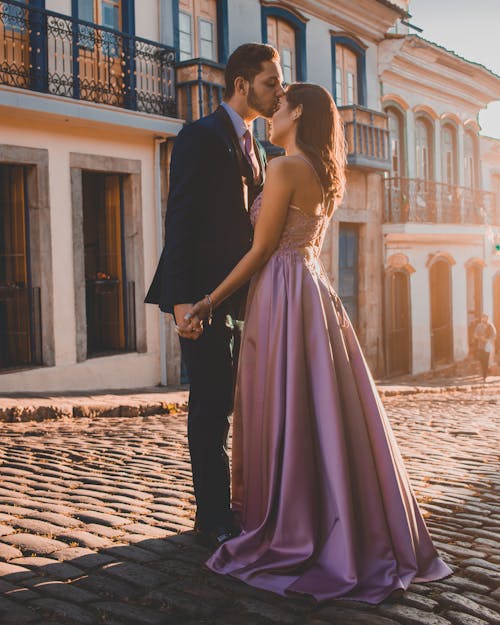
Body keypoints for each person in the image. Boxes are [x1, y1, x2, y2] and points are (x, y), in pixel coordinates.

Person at [183, 83, 452, 603]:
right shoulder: (326, 175)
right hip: (313, 291)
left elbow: (261, 250)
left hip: (281, 293)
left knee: (287, 404)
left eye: (279, 105)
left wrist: (208, 301)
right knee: (319, 407)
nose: (271, 111)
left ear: (298, 112)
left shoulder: (284, 168)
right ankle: (332, 513)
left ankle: (292, 521)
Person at [144, 43, 285, 549]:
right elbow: (178, 221)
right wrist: (183, 301)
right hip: (202, 298)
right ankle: (213, 515)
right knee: (210, 405)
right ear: (242, 84)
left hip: (251, 301)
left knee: (241, 404)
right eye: (271, 83)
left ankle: (242, 503)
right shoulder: (198, 136)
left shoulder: (266, 151)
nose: (279, 92)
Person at [474, 313, 497, 381]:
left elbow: (494, 336)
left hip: (487, 347)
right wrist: (480, 338)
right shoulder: (479, 326)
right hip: (480, 346)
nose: (484, 319)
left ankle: (485, 375)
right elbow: (475, 335)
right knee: (481, 360)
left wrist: (487, 340)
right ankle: (483, 372)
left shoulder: (491, 326)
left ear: (487, 318)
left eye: (485, 318)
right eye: (483, 317)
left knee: (486, 360)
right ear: (481, 318)